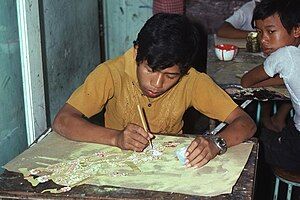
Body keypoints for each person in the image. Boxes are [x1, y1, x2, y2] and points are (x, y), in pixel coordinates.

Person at [53, 13, 256, 168]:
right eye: (150, 70)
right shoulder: (111, 73)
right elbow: (63, 121)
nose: (157, 84)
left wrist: (215, 143)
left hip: (168, 166)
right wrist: (116, 138)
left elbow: (246, 123)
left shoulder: (192, 80)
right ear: (136, 53)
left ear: (184, 71)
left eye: (170, 76)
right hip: (115, 165)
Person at [241, 0, 300, 172]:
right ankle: (275, 121)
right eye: (260, 32)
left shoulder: (284, 54)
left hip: (296, 148)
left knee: (255, 144)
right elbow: (288, 77)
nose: (263, 39)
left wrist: (265, 80)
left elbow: (246, 81)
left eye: (271, 31)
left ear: (296, 30)